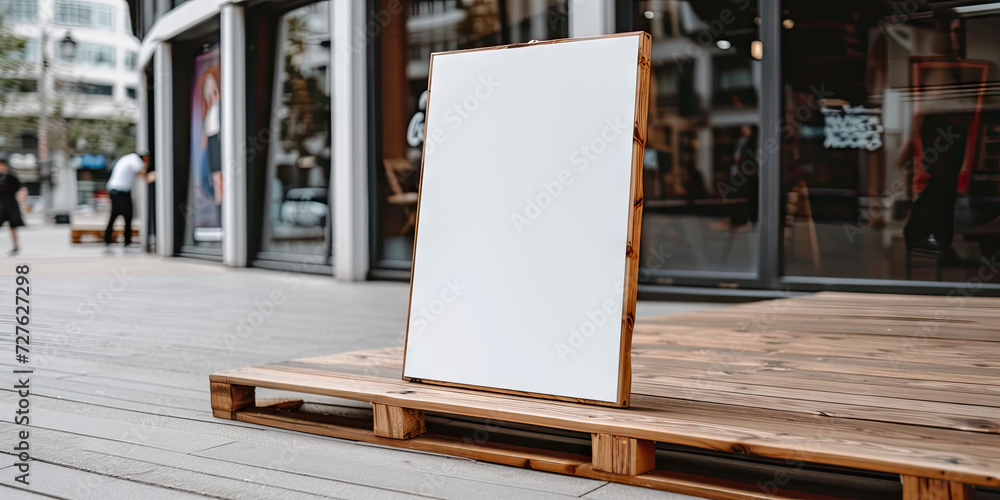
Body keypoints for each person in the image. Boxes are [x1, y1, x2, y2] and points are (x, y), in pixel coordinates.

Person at [105, 152, 154, 250]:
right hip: (120, 191)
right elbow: (145, 177)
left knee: (117, 215)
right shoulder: (135, 160)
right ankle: (124, 240)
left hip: (116, 190)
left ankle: (110, 239)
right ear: (145, 158)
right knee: (126, 215)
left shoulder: (128, 158)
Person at [0, 152, 27, 255]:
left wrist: (22, 197)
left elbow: (22, 188)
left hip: (11, 204)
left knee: (13, 226)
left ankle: (16, 246)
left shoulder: (12, 177)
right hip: (1, 204)